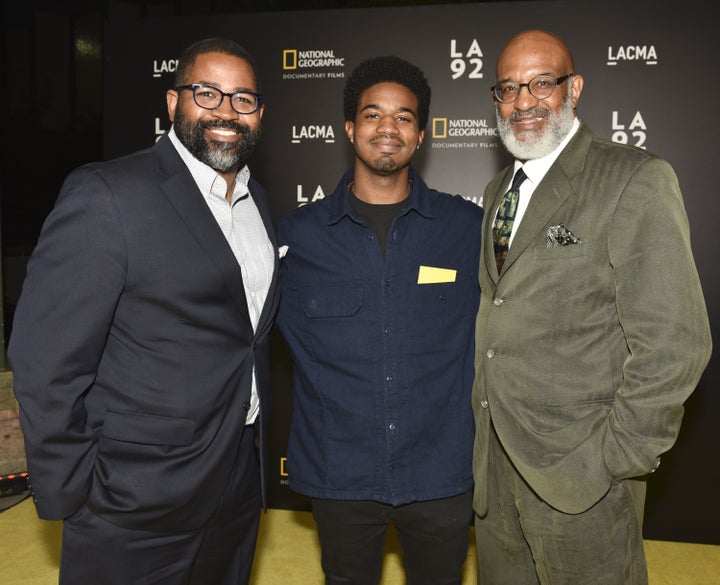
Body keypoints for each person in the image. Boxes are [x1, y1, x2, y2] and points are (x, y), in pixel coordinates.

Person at [8, 37, 279, 584]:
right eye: (208, 93)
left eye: (243, 99)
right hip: (131, 501)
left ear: (260, 114)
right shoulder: (109, 195)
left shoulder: (259, 204)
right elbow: (45, 361)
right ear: (174, 103)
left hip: (236, 487)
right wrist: (77, 491)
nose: (226, 111)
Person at [471, 29, 712, 585]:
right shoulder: (495, 192)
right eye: (508, 88)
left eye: (541, 83)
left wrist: (616, 457)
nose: (524, 101)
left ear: (573, 89)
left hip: (583, 482)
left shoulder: (633, 178)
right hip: (495, 472)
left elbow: (676, 341)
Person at [276, 55, 484, 585]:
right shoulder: (296, 238)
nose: (387, 128)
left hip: (442, 473)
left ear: (421, 135)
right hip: (340, 474)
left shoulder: (468, 230)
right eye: (372, 115)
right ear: (349, 129)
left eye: (404, 117)